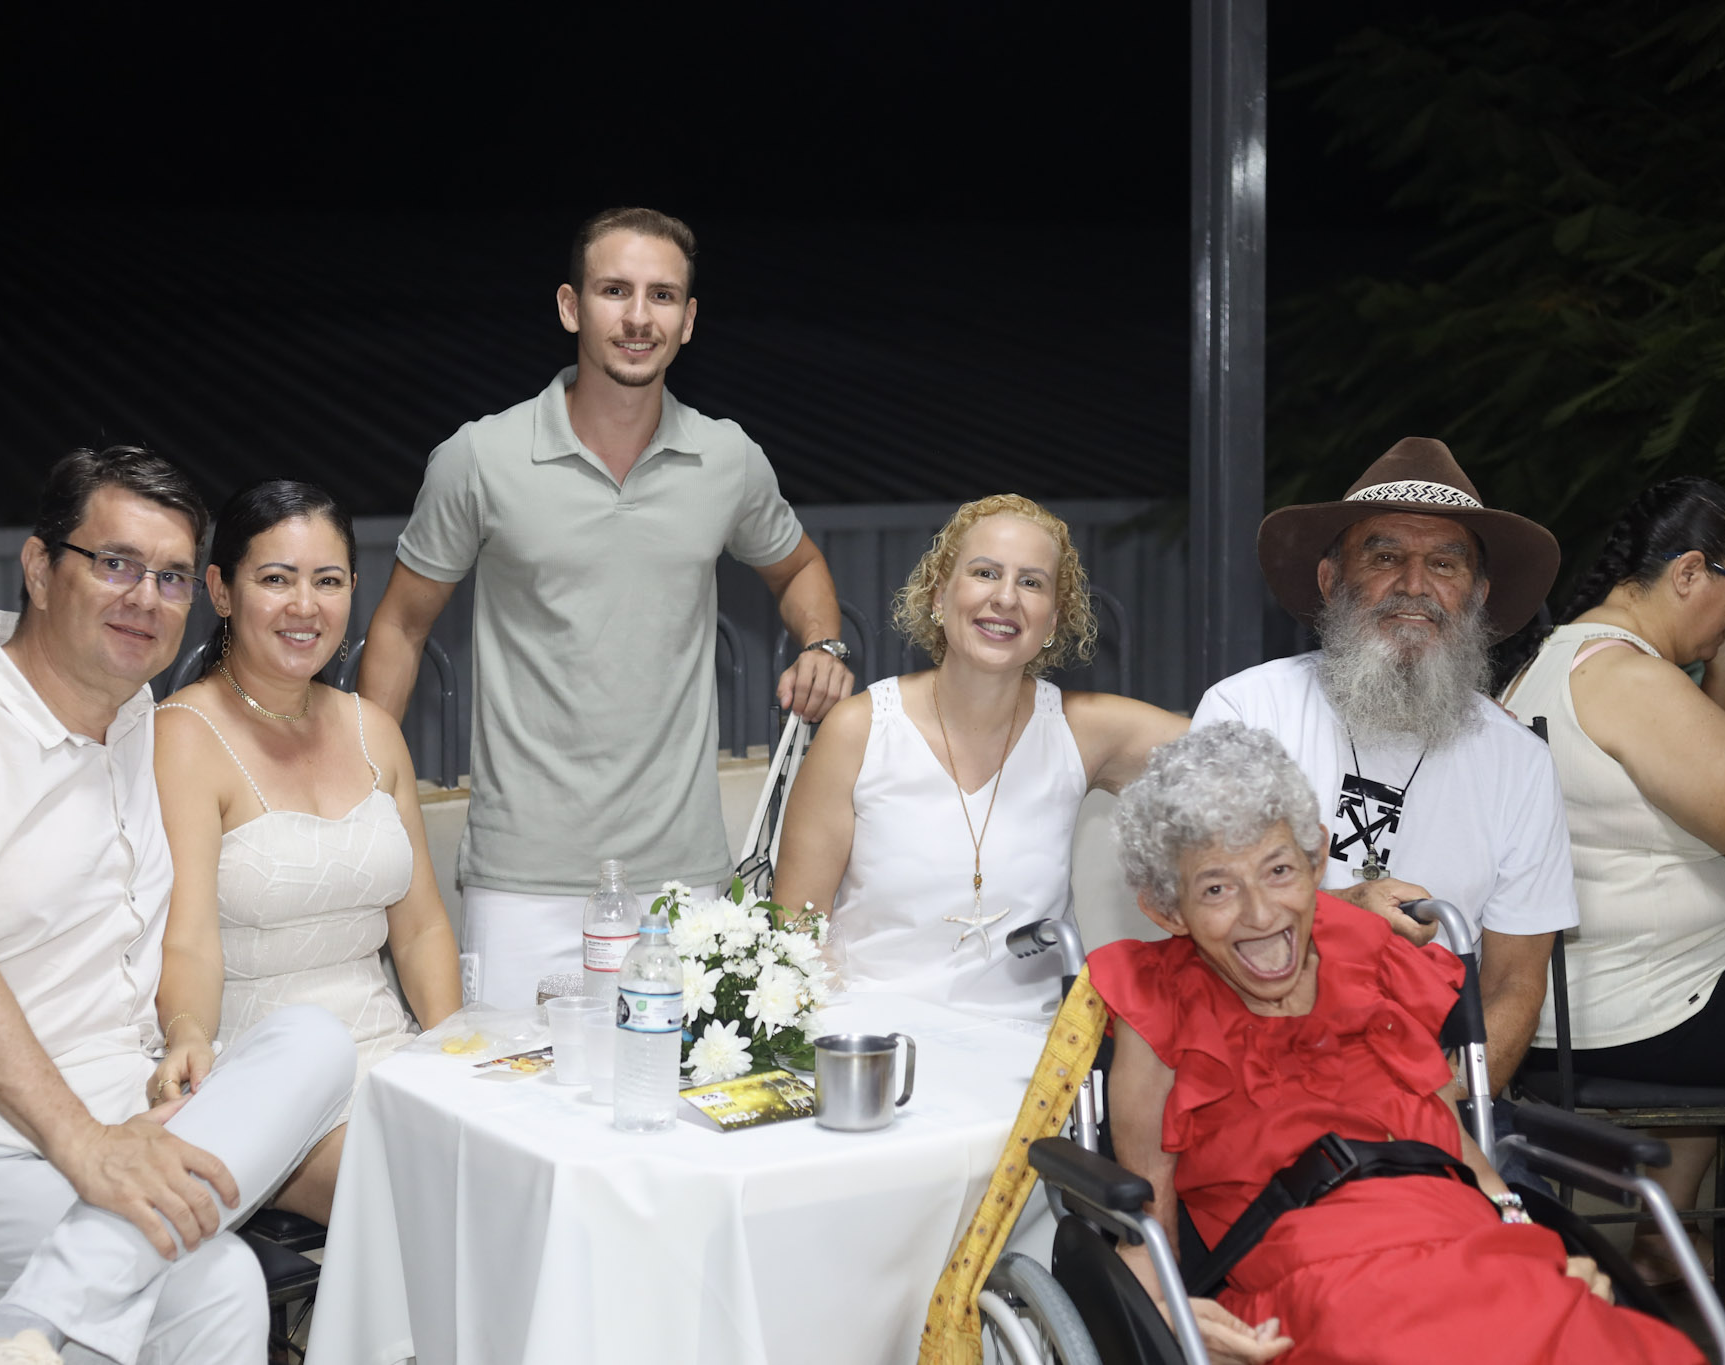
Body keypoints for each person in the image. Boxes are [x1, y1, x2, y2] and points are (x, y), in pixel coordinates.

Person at [0, 447, 358, 1365]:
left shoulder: (136, 718)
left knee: (316, 1043)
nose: (145, 596)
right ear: (40, 567)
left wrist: (181, 1037)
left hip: (123, 1111)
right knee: (212, 1284)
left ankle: (24, 1331)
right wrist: (87, 1146)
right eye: (115, 562)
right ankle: (33, 1328)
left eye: (172, 576)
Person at [358, 206, 854, 1009]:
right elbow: (401, 624)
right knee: (507, 1091)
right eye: (614, 290)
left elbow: (798, 566)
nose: (638, 316)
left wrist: (822, 644)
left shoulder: (727, 458)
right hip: (521, 881)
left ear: (688, 321)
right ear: (571, 306)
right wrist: (364, 790)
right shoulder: (480, 457)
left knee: (681, 1089)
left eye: (663, 296)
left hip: (682, 880)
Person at [1089, 723, 1701, 1365]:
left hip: (1467, 1239)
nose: (1261, 914)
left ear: (1316, 860)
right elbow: (1146, 1215)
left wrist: (1535, 1241)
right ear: (1167, 909)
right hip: (1321, 1275)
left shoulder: (1369, 956)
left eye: (1278, 870)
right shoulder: (1156, 1001)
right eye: (1217, 888)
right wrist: (1169, 1317)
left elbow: (1450, 1135)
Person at [1193, 437, 1576, 1096]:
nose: (1415, 586)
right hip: (1258, 1066)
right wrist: (1344, 909)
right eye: (1385, 557)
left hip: (1435, 1079)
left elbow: (1514, 983)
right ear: (1331, 581)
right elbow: (1205, 908)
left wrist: (1445, 1108)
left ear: (1478, 595)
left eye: (1445, 563)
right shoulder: (1247, 712)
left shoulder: (1517, 761)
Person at [150, 480, 463, 1226]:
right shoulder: (184, 735)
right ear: (221, 591)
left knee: (519, 1158)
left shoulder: (372, 729)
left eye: (327, 581)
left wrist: (457, 1059)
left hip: (392, 1055)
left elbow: (420, 928)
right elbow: (185, 938)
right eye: (275, 579)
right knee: (430, 1196)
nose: (304, 606)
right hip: (264, 1081)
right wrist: (186, 1033)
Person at [771, 494, 1185, 1019]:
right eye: (986, 573)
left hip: (1036, 1050)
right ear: (939, 595)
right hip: (881, 1040)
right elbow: (794, 929)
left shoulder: (1083, 730)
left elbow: (1241, 753)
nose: (1006, 598)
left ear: (1053, 621)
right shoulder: (860, 729)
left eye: (1031, 582)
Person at [1500, 476, 1725, 1283]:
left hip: (1577, 1003)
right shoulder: (1632, 682)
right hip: (1652, 1004)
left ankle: (1661, 1238)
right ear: (1690, 572)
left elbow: (1714, 779)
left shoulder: (1553, 663)